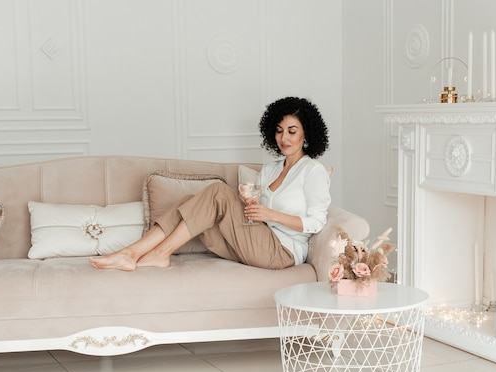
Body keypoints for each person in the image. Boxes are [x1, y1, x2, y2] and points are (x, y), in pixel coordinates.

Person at [89, 96, 331, 271]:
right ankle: (133, 253)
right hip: (254, 241)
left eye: (291, 131)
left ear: (306, 134)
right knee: (188, 202)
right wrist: (249, 204)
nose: (283, 138)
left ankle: (154, 252)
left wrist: (272, 214)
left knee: (217, 192)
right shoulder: (270, 169)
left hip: (281, 251)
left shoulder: (313, 171)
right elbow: (256, 214)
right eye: (279, 131)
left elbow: (317, 223)